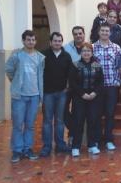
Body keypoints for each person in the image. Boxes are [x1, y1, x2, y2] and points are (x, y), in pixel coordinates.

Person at [5, 30, 45, 163]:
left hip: (34, 96)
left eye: (33, 40)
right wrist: (16, 82)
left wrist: (40, 94)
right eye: (28, 39)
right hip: (20, 96)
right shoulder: (17, 55)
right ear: (23, 41)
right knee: (17, 124)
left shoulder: (40, 57)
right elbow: (9, 69)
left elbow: (40, 76)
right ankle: (17, 150)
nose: (31, 42)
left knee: (30, 125)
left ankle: (28, 149)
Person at [40, 32, 72, 157]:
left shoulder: (66, 56)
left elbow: (71, 74)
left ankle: (60, 145)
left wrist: (68, 87)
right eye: (55, 41)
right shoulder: (43, 55)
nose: (57, 43)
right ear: (50, 42)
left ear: (61, 42)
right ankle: (47, 146)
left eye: (59, 41)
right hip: (47, 93)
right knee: (47, 120)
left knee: (59, 120)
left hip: (62, 93)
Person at [69, 42, 104, 157]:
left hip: (94, 98)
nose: (86, 53)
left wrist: (94, 93)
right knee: (78, 122)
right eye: (84, 51)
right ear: (81, 53)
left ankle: (92, 145)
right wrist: (82, 94)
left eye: (88, 51)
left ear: (92, 52)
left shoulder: (98, 66)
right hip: (79, 98)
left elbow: (100, 82)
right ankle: (75, 146)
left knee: (93, 121)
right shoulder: (75, 65)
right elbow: (73, 82)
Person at [93, 23, 121, 151]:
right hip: (97, 87)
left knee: (110, 113)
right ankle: (97, 140)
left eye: (107, 31)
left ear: (110, 33)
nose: (105, 33)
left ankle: (109, 139)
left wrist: (118, 82)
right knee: (97, 114)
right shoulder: (93, 47)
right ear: (99, 32)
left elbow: (120, 66)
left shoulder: (116, 48)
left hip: (112, 85)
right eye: (103, 31)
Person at [64, 26, 85, 146]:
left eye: (80, 33)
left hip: (81, 87)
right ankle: (72, 130)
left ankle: (73, 136)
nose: (78, 35)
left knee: (77, 112)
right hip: (68, 85)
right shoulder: (66, 48)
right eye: (76, 34)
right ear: (73, 35)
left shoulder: (89, 47)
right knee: (64, 111)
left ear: (84, 34)